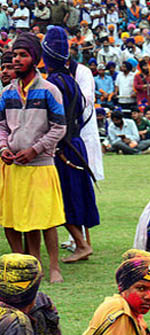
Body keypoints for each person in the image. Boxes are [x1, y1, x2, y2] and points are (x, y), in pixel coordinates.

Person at [0, 33, 67, 284]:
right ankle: (23, 264)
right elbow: (2, 126)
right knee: (13, 218)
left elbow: (59, 127)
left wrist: (36, 149)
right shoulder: (6, 93)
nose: (16, 60)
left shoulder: (50, 91)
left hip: (41, 165)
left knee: (45, 219)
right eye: (14, 55)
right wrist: (3, 147)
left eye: (22, 55)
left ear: (35, 59)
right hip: (13, 166)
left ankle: (54, 268)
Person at [40, 26, 99, 266]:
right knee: (75, 195)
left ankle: (82, 244)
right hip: (74, 143)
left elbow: (52, 120)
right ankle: (83, 242)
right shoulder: (70, 80)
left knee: (61, 197)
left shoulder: (52, 83)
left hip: (61, 147)